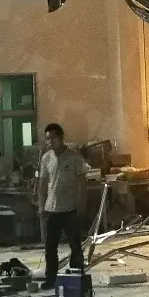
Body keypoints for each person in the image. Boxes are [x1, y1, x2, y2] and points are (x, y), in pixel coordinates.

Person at [36, 122, 89, 287]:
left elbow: (82, 182)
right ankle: (51, 278)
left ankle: (76, 275)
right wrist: (41, 206)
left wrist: (82, 203)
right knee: (50, 246)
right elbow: (43, 184)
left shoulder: (74, 157)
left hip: (70, 208)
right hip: (52, 209)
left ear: (61, 138)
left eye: (53, 138)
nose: (50, 142)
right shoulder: (46, 158)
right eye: (47, 139)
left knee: (75, 244)